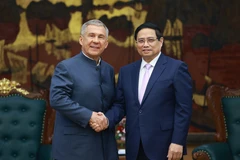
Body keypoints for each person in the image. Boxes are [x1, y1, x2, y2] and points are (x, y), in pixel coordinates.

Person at [91, 22, 193, 160]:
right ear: (136, 43)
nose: (145, 44)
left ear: (161, 41)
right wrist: (106, 120)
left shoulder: (176, 68)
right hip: (135, 146)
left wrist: (178, 141)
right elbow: (120, 105)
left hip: (166, 145)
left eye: (150, 40)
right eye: (141, 41)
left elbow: (184, 109)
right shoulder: (126, 71)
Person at [49, 19, 118, 160]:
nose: (96, 40)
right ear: (81, 40)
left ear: (106, 44)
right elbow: (57, 99)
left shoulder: (108, 70)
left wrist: (106, 119)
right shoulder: (66, 67)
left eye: (100, 37)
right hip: (75, 147)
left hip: (105, 146)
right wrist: (89, 116)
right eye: (91, 35)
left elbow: (113, 102)